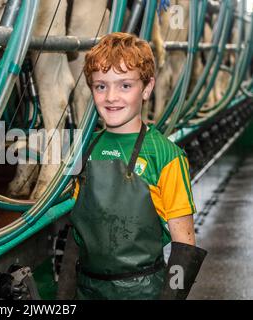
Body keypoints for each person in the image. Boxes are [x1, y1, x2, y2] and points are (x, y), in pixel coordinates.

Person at [69, 32, 207, 300]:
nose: (111, 97)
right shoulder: (84, 150)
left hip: (144, 292)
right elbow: (77, 234)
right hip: (87, 290)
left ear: (146, 88)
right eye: (100, 86)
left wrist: (170, 297)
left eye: (124, 86)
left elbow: (184, 248)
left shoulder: (166, 155)